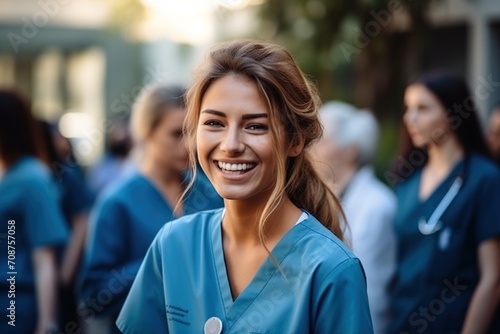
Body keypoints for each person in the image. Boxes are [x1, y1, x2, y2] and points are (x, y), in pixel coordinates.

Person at [116, 39, 373, 334]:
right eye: (214, 123)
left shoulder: (330, 270)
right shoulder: (173, 246)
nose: (231, 145)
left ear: (295, 141)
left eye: (255, 126)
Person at [79, 84, 223, 334]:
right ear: (146, 131)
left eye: (193, 131)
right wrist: (159, 262)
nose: (190, 143)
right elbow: (93, 295)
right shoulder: (117, 202)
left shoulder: (210, 192)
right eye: (177, 133)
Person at [388, 71, 500, 333]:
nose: (409, 118)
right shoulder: (407, 181)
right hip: (402, 322)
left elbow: (493, 279)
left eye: (422, 108)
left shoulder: (484, 180)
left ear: (451, 114)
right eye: (407, 108)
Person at [311, 101, 396, 334]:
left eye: (322, 141)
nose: (311, 149)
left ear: (351, 151)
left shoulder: (377, 205)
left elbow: (373, 292)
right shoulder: (321, 198)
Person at [0, 90, 68, 334]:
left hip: (16, 305)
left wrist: (46, 324)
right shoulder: (8, 173)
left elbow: (44, 258)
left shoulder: (32, 179)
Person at [38, 120, 93, 332]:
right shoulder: (40, 173)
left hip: (62, 266)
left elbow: (82, 222)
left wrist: (66, 270)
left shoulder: (66, 174)